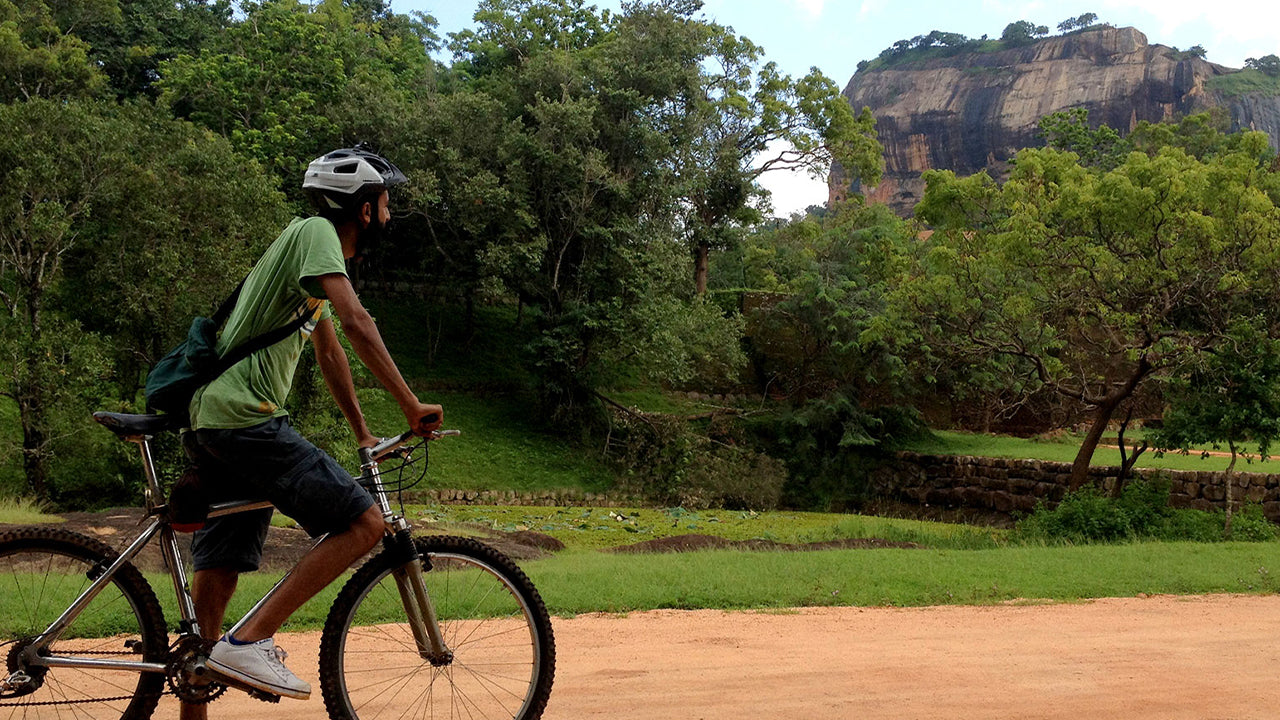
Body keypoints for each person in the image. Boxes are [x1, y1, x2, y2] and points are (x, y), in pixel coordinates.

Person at [178, 144, 442, 718]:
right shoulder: (318, 232)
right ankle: (250, 644)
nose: (389, 216)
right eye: (385, 202)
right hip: (246, 418)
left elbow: (330, 352)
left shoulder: (305, 261)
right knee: (365, 522)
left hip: (216, 421)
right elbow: (356, 321)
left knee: (219, 574)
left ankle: (206, 673)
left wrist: (362, 429)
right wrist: (410, 403)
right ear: (362, 208)